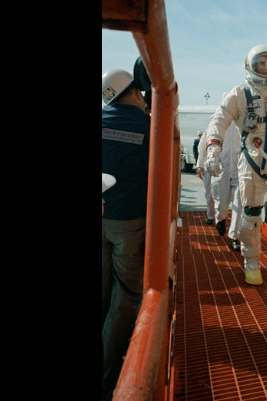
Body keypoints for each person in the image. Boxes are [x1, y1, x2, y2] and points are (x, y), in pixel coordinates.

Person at [202, 44, 267, 288]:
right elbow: (219, 121)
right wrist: (213, 149)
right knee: (250, 215)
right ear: (250, 66)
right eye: (262, 64)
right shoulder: (240, 94)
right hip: (252, 160)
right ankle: (251, 264)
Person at [101, 68, 151, 400]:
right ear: (132, 92)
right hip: (129, 224)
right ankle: (107, 369)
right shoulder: (148, 126)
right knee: (127, 294)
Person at [209, 122, 243, 242]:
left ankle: (234, 236)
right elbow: (206, 142)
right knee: (222, 203)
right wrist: (201, 163)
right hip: (222, 168)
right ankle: (221, 219)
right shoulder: (218, 121)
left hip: (239, 168)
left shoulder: (243, 120)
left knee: (239, 203)